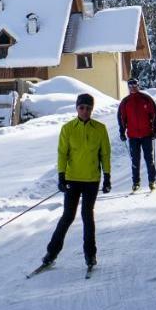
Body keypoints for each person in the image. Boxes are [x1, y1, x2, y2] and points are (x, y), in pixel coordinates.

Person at [41, 93, 111, 269]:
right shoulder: (68, 128)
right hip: (72, 179)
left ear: (92, 109)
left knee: (87, 216)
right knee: (67, 216)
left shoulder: (100, 129)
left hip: (91, 180)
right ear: (76, 108)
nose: (85, 111)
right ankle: (51, 253)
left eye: (88, 108)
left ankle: (90, 255)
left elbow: (105, 154)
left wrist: (107, 176)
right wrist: (61, 175)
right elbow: (62, 153)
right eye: (82, 107)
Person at [117, 78, 156, 192]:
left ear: (138, 85)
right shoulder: (125, 102)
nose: (132, 87)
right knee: (135, 160)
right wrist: (122, 132)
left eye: (134, 85)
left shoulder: (146, 99)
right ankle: (136, 182)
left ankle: (152, 181)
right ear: (128, 87)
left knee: (149, 159)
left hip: (146, 135)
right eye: (130, 86)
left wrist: (154, 130)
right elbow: (121, 118)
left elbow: (154, 114)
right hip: (133, 136)